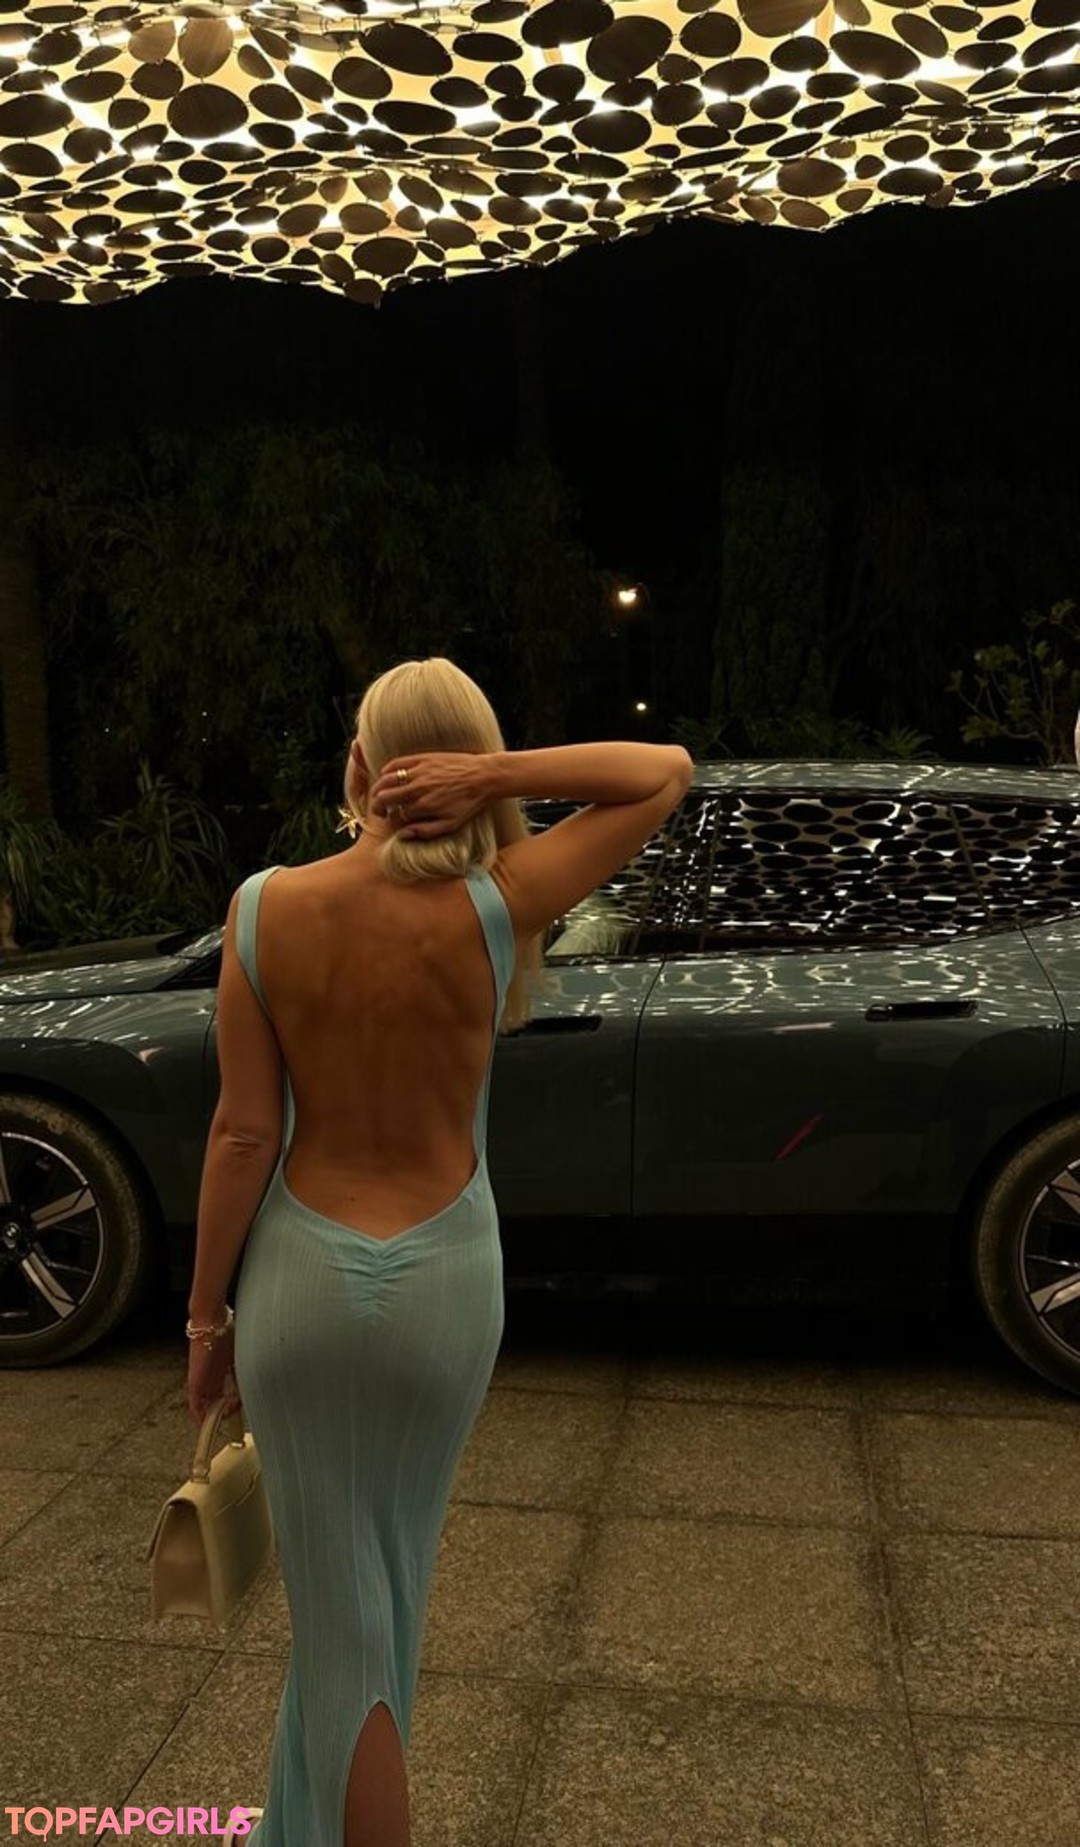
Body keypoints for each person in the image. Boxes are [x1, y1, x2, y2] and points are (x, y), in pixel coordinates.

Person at [184, 656, 694, 1847]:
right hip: (447, 1288)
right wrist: (500, 778)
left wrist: (207, 1319)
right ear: (462, 767)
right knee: (376, 1599)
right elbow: (662, 772)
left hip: (302, 1288)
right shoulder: (499, 900)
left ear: (360, 762)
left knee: (347, 1622)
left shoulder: (263, 908)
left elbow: (244, 1133)